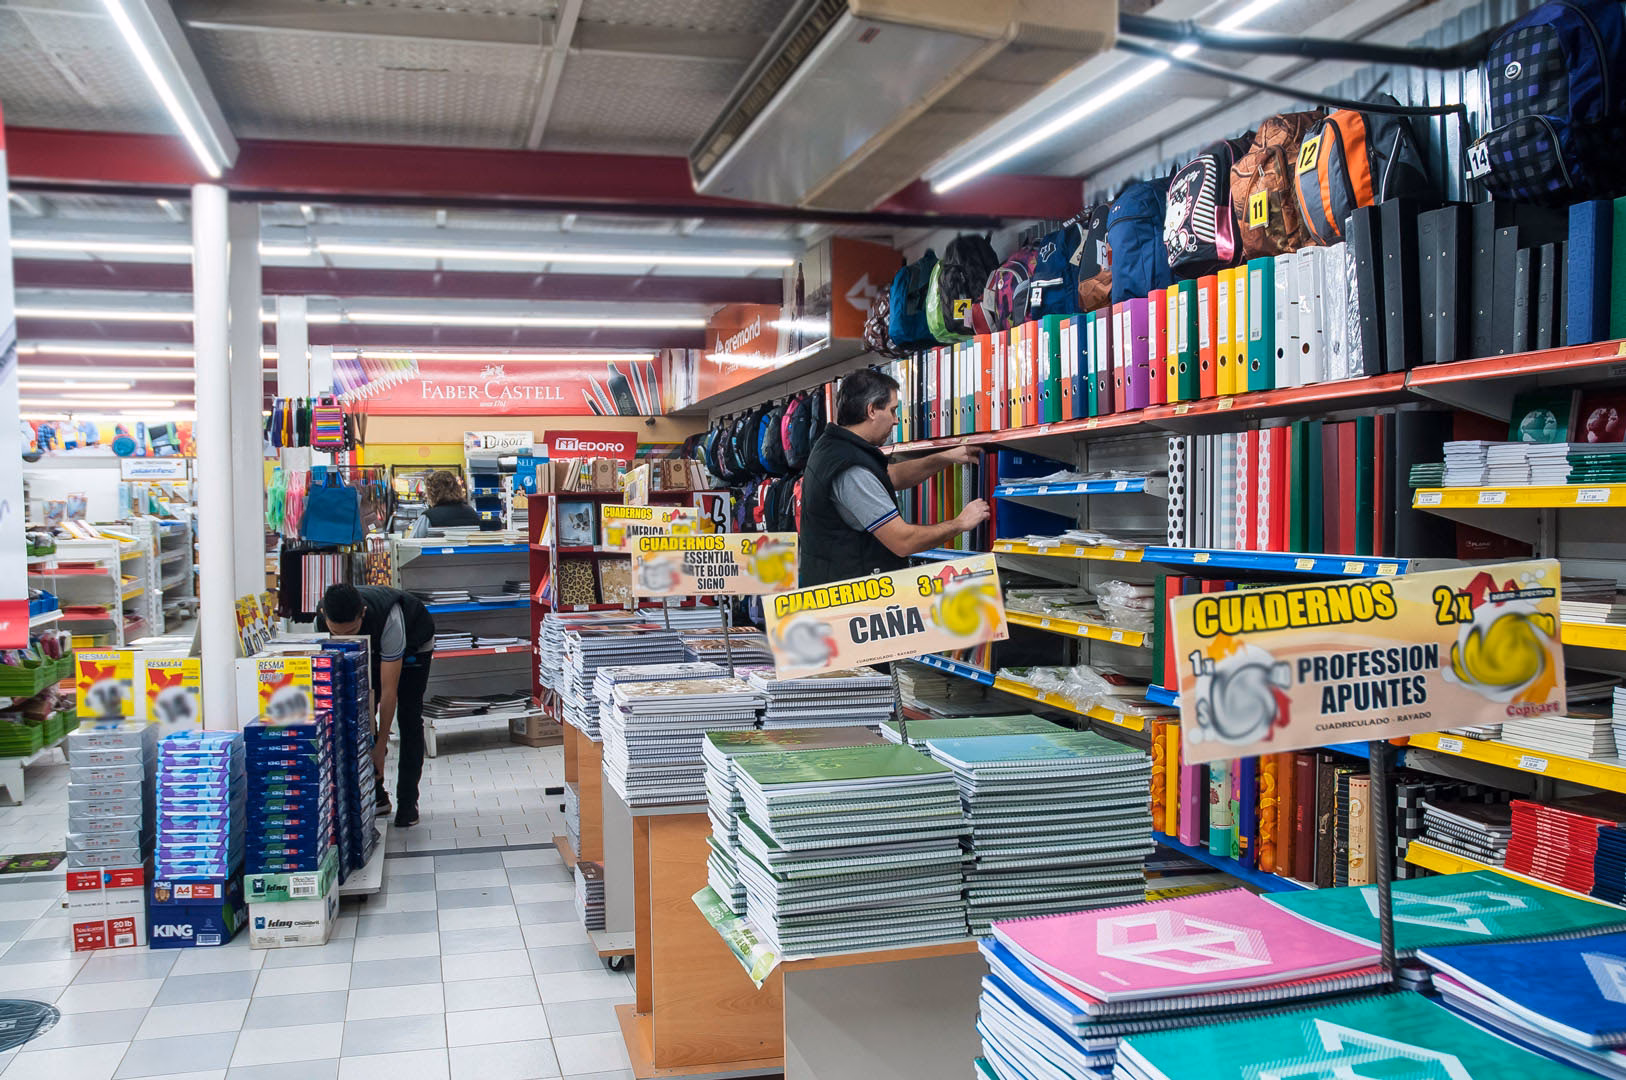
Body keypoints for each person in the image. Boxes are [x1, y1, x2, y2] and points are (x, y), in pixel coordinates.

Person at [798, 367, 989, 587]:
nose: (896, 420)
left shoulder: (833, 447)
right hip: (851, 602)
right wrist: (960, 523)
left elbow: (891, 477)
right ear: (871, 411)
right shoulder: (850, 469)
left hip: (834, 589)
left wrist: (945, 457)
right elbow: (902, 541)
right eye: (892, 410)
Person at [316, 583, 435, 828]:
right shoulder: (322, 617)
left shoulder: (389, 617)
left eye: (351, 630)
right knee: (358, 711)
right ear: (324, 617)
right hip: (371, 649)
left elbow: (389, 692)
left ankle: (408, 802)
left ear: (363, 613)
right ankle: (377, 796)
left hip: (414, 644)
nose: (343, 638)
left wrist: (381, 746)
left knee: (409, 717)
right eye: (336, 633)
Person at [409, 470, 491, 536]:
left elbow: (410, 546)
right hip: (467, 556)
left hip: (437, 556)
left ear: (432, 493)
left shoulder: (428, 517)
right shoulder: (471, 512)